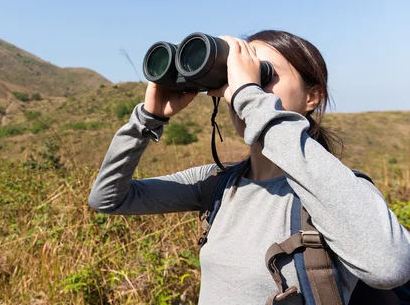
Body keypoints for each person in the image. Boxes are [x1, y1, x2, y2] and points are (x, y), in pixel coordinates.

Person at [88, 30, 410, 304]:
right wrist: (148, 119)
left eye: (262, 75)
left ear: (312, 96)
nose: (241, 90)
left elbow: (390, 265)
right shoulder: (216, 183)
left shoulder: (332, 191)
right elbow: (108, 199)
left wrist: (251, 98)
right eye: (238, 76)